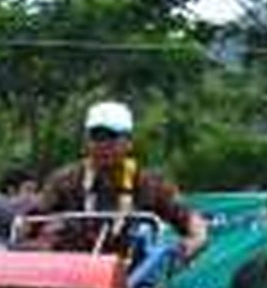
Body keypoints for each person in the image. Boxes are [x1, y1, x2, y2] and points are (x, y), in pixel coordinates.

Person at [35, 101, 208, 258]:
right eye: (97, 137)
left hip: (132, 279)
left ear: (128, 142)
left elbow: (188, 218)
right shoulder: (65, 180)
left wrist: (196, 239)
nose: (103, 145)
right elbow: (32, 218)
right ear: (87, 142)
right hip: (71, 275)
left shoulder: (150, 183)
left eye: (111, 137)